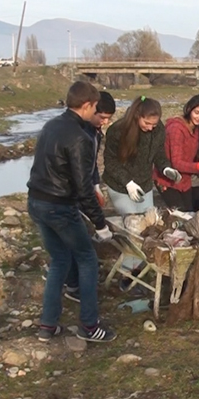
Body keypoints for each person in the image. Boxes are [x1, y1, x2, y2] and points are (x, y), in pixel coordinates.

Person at [28, 81, 117, 344]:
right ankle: (89, 326)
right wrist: (101, 224)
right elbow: (82, 187)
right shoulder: (80, 137)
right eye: (95, 108)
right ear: (88, 105)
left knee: (59, 260)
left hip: (36, 201)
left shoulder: (51, 125)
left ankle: (48, 324)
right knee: (87, 259)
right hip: (59, 206)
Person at [57, 92, 117, 302]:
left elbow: (90, 165)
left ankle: (72, 281)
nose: (105, 122)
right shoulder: (80, 134)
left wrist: (96, 184)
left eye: (109, 118)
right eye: (102, 116)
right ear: (90, 110)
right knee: (77, 244)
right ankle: (76, 287)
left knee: (78, 241)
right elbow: (77, 171)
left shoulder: (95, 132)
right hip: (70, 196)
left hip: (81, 190)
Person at [103, 96, 180, 214]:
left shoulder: (158, 129)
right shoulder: (117, 130)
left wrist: (166, 168)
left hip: (145, 184)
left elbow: (159, 152)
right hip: (119, 186)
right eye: (147, 123)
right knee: (131, 221)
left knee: (148, 222)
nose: (150, 128)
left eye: (153, 125)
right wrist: (128, 183)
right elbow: (110, 162)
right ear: (137, 115)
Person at [154, 94, 199, 211]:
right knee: (182, 216)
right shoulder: (176, 129)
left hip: (184, 181)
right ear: (189, 109)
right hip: (167, 180)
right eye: (197, 112)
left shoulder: (196, 129)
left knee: (190, 215)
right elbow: (176, 163)